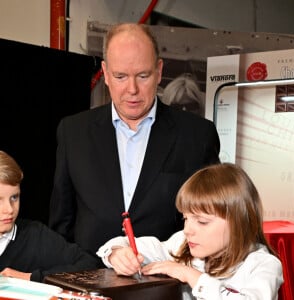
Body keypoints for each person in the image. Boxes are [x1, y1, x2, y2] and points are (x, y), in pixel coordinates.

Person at [49, 22, 220, 253]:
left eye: (142, 75)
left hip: (166, 282)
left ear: (159, 71)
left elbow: (213, 223)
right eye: (120, 76)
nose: (132, 89)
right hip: (87, 280)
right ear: (106, 74)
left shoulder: (197, 136)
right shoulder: (73, 132)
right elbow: (61, 225)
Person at [97, 163, 283, 300]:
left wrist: (191, 276)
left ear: (239, 222)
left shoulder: (263, 265)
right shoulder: (181, 244)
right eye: (186, 218)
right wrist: (117, 254)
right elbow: (127, 244)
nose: (187, 230)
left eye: (202, 222)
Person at [0, 150, 102, 282]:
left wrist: (31, 277)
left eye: (14, 197)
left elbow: (90, 265)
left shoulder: (35, 235)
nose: (9, 209)